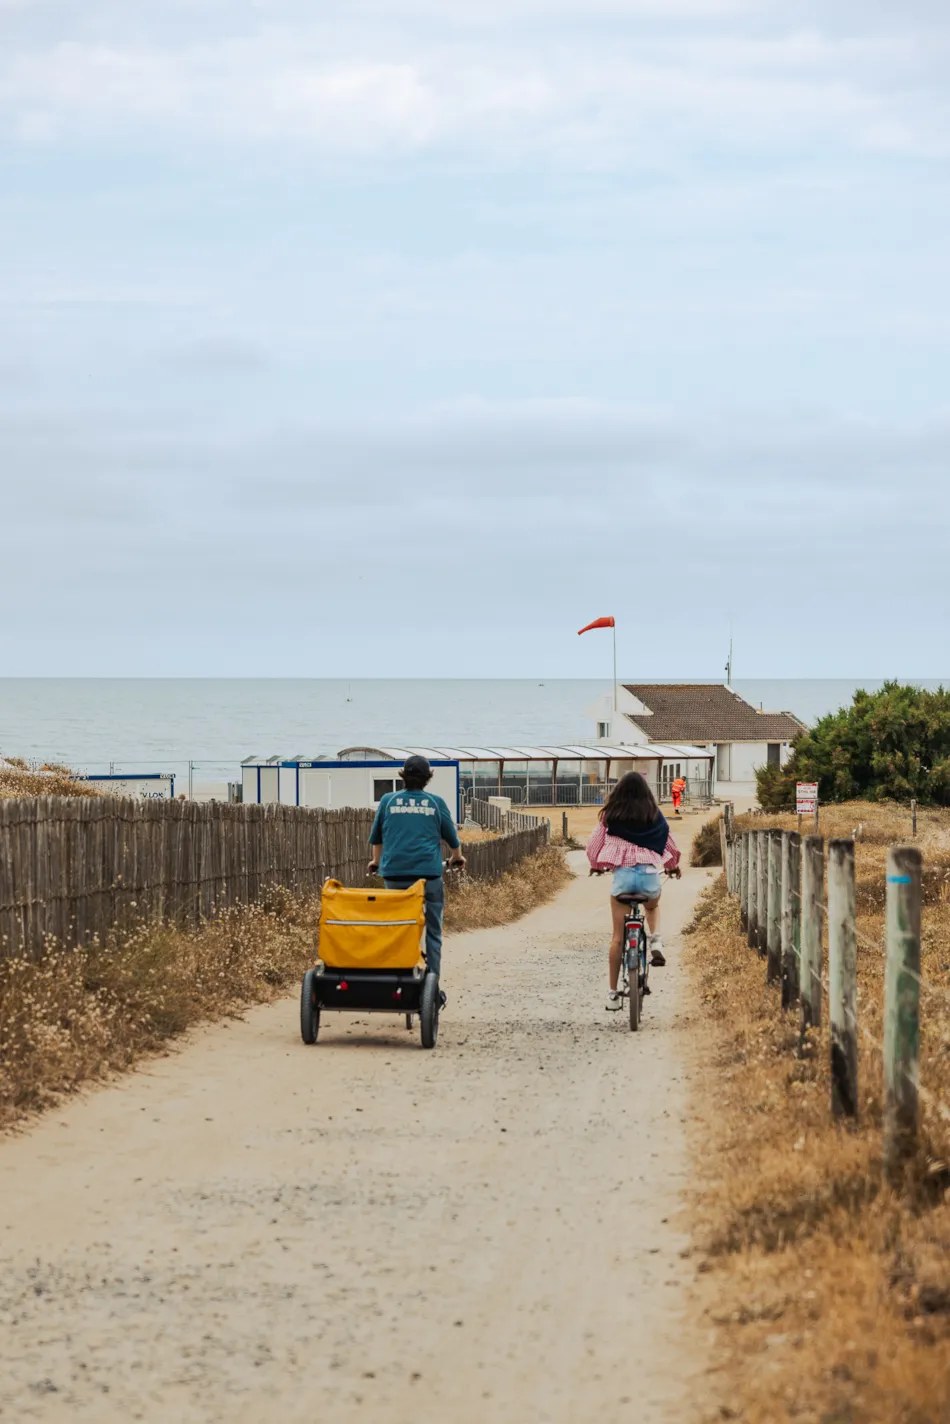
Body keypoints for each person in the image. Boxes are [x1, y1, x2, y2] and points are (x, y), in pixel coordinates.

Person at [586, 771, 681, 1012]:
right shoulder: (654, 814)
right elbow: (670, 845)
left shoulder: (610, 816)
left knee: (618, 938)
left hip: (623, 879)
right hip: (649, 878)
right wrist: (672, 867)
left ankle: (612, 993)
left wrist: (596, 866)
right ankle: (656, 939)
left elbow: (593, 846)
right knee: (652, 904)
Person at [367, 755, 465, 983]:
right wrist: (457, 857)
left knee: (397, 926)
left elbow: (377, 838)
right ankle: (432, 984)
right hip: (428, 875)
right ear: (427, 778)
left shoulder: (388, 801)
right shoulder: (436, 802)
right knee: (433, 931)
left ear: (403, 776)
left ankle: (396, 978)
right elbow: (452, 838)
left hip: (394, 874)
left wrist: (376, 862)